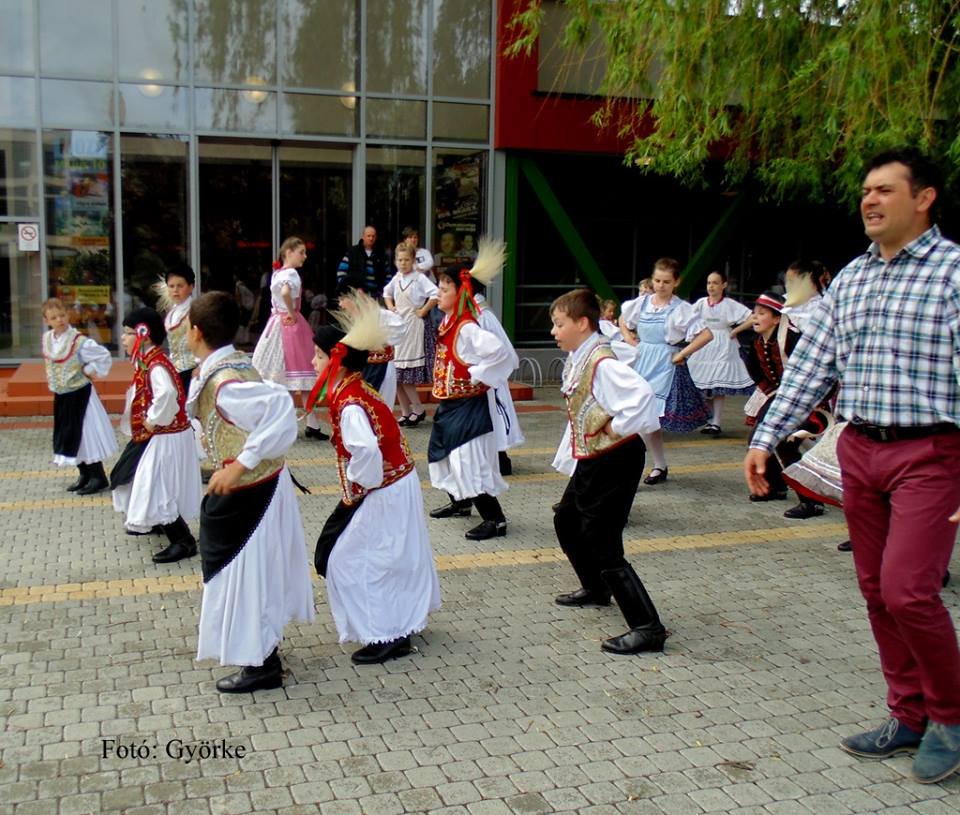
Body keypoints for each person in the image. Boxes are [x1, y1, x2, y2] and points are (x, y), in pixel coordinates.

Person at [744, 147, 960, 784]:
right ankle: (909, 713)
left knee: (908, 589)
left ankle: (950, 719)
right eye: (866, 190)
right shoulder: (854, 279)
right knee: (875, 589)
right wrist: (766, 437)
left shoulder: (952, 273)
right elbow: (813, 366)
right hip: (858, 448)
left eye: (885, 189)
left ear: (924, 198)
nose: (870, 199)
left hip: (929, 453)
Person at [185, 291, 315, 693]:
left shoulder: (225, 381)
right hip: (254, 487)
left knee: (246, 575)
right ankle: (262, 651)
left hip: (251, 491)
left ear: (195, 332)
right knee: (246, 572)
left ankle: (262, 664)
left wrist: (241, 463)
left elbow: (280, 410)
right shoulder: (231, 364)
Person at [308, 292, 441, 664]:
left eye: (318, 355)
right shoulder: (355, 387)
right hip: (393, 485)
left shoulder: (350, 402)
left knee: (355, 560)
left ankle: (389, 634)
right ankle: (399, 620)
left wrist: (357, 488)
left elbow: (366, 452)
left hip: (383, 489)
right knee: (386, 557)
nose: (312, 361)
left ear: (336, 360)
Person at [549, 289, 665, 655]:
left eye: (559, 324)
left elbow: (642, 397)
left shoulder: (601, 362)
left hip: (616, 458)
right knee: (567, 518)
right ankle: (596, 587)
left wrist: (617, 427)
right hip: (596, 457)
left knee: (602, 539)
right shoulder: (583, 356)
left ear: (582, 323)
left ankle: (647, 627)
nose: (554, 331)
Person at [428, 242, 515, 540]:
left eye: (444, 289)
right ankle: (461, 503)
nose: (438, 293)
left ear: (460, 293)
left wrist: (478, 376)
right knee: (444, 455)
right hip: (451, 405)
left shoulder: (466, 327)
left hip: (468, 406)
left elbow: (501, 352)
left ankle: (495, 520)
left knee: (469, 461)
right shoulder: (449, 322)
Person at [110, 308, 202, 563]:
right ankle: (157, 522)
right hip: (159, 435)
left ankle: (183, 541)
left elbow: (167, 394)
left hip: (165, 436)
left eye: (128, 333)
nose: (123, 338)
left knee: (157, 485)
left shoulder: (156, 364)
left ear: (145, 335)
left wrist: (152, 420)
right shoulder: (149, 360)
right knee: (134, 476)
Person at [618, 258, 713, 484]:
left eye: (666, 281)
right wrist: (629, 339)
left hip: (664, 366)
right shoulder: (642, 303)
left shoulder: (680, 308)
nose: (660, 285)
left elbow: (706, 334)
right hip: (641, 361)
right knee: (641, 417)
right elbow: (623, 319)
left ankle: (633, 469)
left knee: (649, 418)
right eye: (657, 280)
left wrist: (681, 354)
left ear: (676, 282)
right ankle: (657, 466)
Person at [742, 291, 826, 520]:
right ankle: (776, 486)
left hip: (811, 400)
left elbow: (816, 374)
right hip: (781, 396)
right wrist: (775, 397)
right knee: (758, 438)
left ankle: (812, 501)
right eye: (754, 313)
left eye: (762, 313)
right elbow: (757, 374)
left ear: (777, 318)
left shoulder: (795, 340)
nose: (755, 317)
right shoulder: (758, 342)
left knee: (786, 444)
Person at [252, 237, 328, 440]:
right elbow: (286, 291)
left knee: (288, 378)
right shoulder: (291, 273)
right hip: (290, 326)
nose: (305, 256)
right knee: (301, 375)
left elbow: (281, 293)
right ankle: (305, 424)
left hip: (276, 323)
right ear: (289, 252)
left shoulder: (277, 273)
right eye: (301, 252)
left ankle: (297, 424)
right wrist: (292, 312)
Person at [41, 297, 117, 496]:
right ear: (46, 320)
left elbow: (103, 356)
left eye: (62, 315)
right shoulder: (48, 339)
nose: (59, 320)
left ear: (68, 315)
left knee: (86, 434)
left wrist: (89, 370)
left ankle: (98, 476)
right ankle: (84, 473)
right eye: (54, 317)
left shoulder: (79, 341)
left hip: (81, 395)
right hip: (63, 395)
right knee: (70, 434)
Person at [688, 271, 755, 435]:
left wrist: (735, 330)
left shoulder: (729, 304)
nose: (711, 286)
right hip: (704, 343)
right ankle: (710, 421)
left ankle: (716, 422)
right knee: (705, 384)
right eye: (709, 283)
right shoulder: (701, 303)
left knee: (718, 384)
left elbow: (752, 317)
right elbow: (687, 318)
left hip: (723, 344)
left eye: (715, 283)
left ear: (723, 285)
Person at [383, 243, 438, 425]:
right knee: (397, 375)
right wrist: (390, 306)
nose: (403, 263)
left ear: (413, 260)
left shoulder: (419, 278)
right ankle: (406, 411)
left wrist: (423, 310)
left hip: (413, 327)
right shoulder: (397, 278)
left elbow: (435, 294)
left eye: (406, 260)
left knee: (405, 373)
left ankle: (418, 409)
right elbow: (386, 292)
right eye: (400, 260)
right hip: (399, 327)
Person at [473, 282, 525, 475]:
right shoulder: (471, 314)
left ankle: (499, 459)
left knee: (495, 417)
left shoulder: (482, 315)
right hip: (480, 378)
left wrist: (484, 373)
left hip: (487, 380)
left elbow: (502, 352)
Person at [334, 276, 404, 410]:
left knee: (378, 410)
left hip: (380, 368)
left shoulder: (381, 316)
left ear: (357, 296)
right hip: (363, 371)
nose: (340, 305)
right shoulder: (354, 321)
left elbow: (398, 331)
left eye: (343, 299)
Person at [157, 262, 197, 393]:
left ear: (191, 287)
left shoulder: (196, 311)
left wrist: (201, 365)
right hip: (175, 370)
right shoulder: (172, 312)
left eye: (180, 286)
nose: (175, 290)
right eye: (171, 286)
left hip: (193, 370)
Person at [336, 225, 389, 296]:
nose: (371, 238)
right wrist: (351, 290)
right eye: (368, 236)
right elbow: (341, 273)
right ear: (363, 237)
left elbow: (388, 276)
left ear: (376, 237)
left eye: (373, 236)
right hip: (356, 296)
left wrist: (385, 292)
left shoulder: (381, 254)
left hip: (377, 296)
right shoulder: (353, 252)